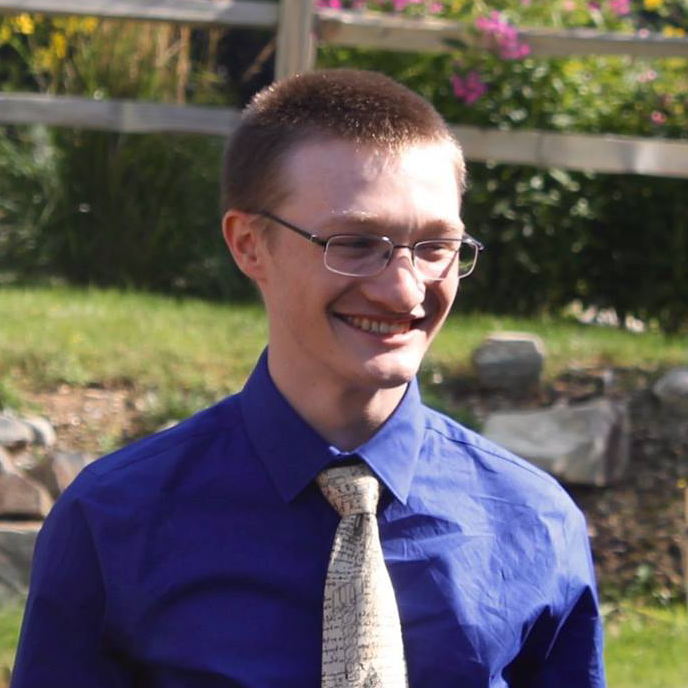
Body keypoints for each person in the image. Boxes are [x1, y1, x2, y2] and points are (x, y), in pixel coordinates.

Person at [11, 69, 605, 687]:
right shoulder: (115, 520)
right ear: (249, 244)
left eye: (436, 247)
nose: (405, 290)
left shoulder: (532, 523)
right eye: (355, 243)